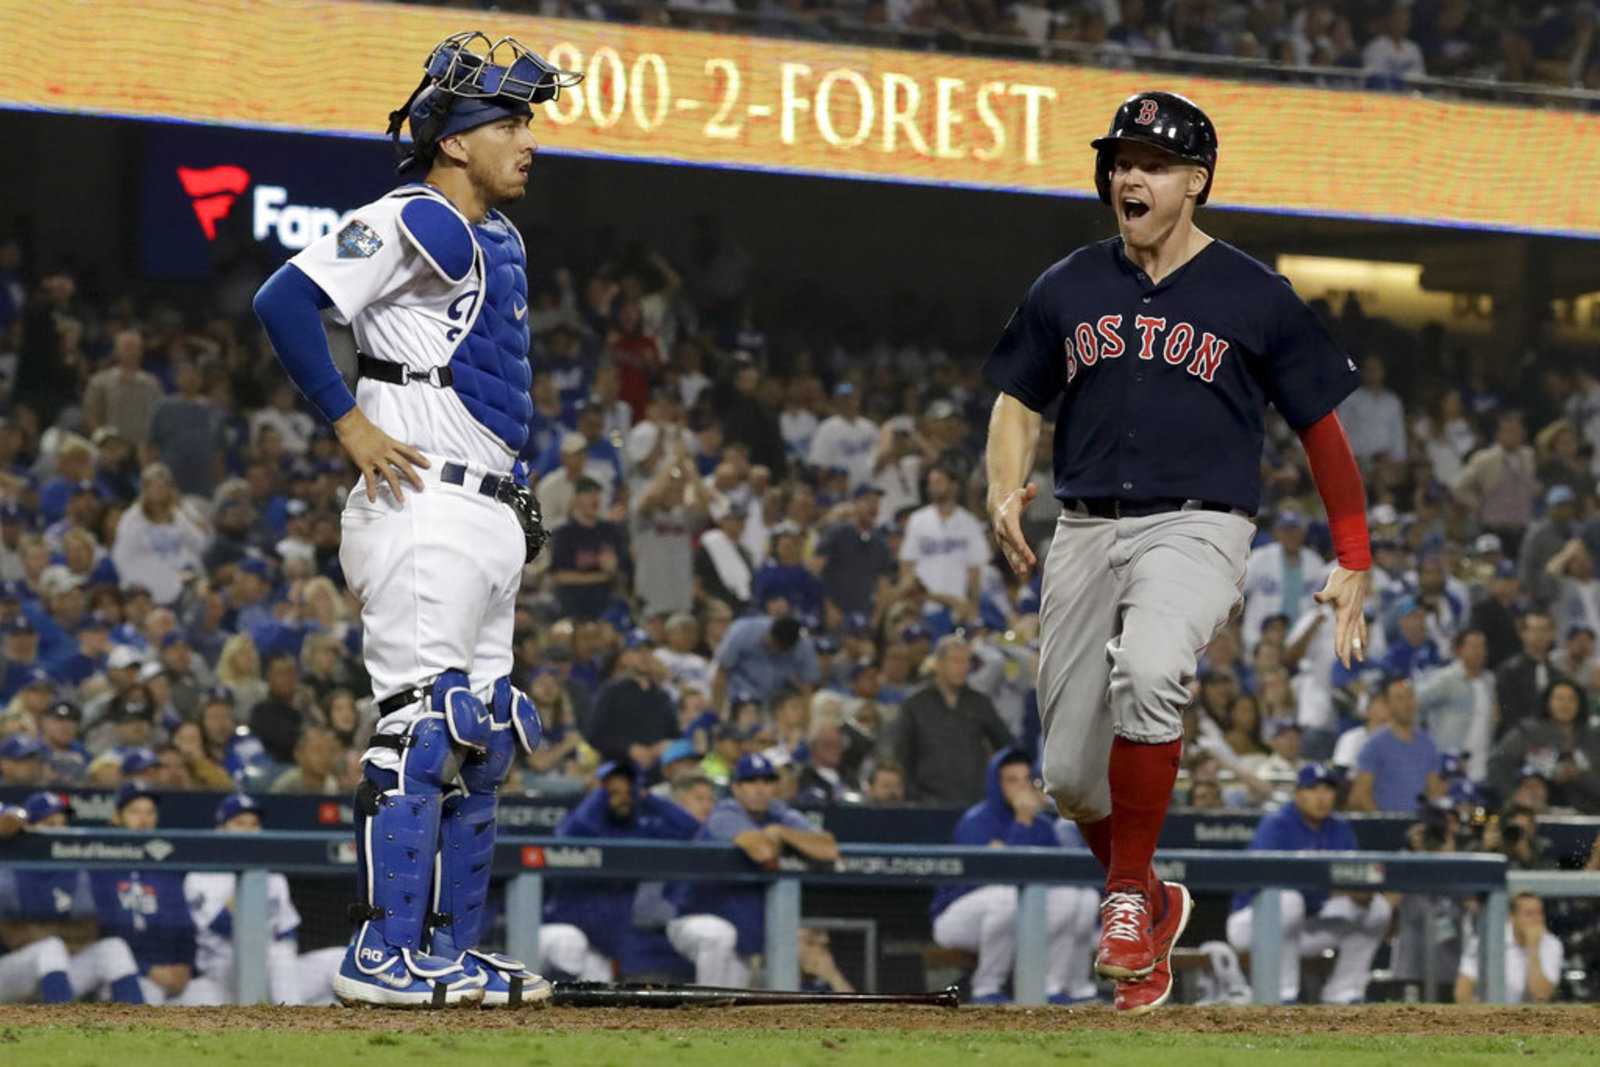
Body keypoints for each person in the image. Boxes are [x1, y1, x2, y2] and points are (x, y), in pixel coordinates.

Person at [983, 91, 1371, 1015]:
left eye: (1151, 163)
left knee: (1153, 667)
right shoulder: (1067, 284)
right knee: (1073, 780)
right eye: (1119, 160)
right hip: (1081, 527)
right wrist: (1004, 486)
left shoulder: (1254, 293)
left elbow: (1320, 427)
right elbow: (1015, 400)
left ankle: (1123, 899)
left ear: (1195, 181)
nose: (1130, 176)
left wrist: (1352, 551)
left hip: (1199, 523)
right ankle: (1153, 899)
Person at [251, 31, 582, 1008]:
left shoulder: (503, 238)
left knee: (484, 738)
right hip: (418, 499)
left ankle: (445, 948)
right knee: (423, 730)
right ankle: (379, 952)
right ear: (455, 141)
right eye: (509, 122)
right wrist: (348, 423)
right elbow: (284, 298)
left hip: (486, 511)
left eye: (528, 119)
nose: (528, 139)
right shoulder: (415, 218)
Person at [929, 749, 1100, 1004]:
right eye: (1011, 780)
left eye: (1025, 779)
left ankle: (1055, 986)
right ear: (996, 784)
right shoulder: (976, 821)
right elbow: (997, 877)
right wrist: (1021, 822)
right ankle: (986, 988)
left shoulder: (1042, 825)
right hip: (957, 919)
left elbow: (1060, 878)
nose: (1021, 787)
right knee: (1007, 896)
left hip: (1012, 917)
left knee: (1080, 898)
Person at [1225, 764, 1392, 1004]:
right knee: (1290, 900)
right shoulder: (1277, 824)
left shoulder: (1340, 827)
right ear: (1299, 794)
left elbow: (1354, 878)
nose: (1322, 797)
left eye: (1328, 790)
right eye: (1314, 789)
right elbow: (1267, 880)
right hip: (1254, 923)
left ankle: (1344, 992)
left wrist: (1358, 890)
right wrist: (1332, 886)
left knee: (1377, 908)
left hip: (1307, 923)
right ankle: (1283, 995)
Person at [667, 753, 839, 985]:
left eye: (767, 782)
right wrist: (784, 839)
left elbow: (828, 848)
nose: (760, 789)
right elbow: (763, 852)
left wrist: (782, 832)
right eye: (751, 782)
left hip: (741, 938)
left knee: (734, 1008)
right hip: (693, 920)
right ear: (737, 788)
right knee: (719, 935)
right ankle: (704, 1009)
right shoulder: (725, 813)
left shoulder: (778, 814)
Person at [538, 761, 702, 981]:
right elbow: (569, 836)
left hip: (603, 946)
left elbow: (690, 830)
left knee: (598, 998)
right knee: (570, 945)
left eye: (628, 791)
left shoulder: (639, 831)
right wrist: (599, 795)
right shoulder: (583, 825)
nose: (622, 797)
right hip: (563, 931)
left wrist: (647, 797)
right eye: (613, 791)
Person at [180, 794, 345, 1004]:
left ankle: (295, 1016)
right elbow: (223, 926)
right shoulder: (201, 876)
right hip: (224, 973)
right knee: (275, 953)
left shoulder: (274, 876)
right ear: (221, 830)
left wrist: (287, 967)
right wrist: (244, 876)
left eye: (254, 824)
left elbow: (288, 931)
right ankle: (290, 1018)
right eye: (239, 823)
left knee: (339, 959)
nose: (249, 830)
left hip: (276, 973)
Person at [0, 791, 145, 1004]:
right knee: (50, 948)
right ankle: (58, 1031)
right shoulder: (9, 868)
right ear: (28, 829)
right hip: (11, 973)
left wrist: (42, 933)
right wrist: (59, 936)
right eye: (50, 824)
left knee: (113, 948)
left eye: (63, 823)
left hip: (55, 973)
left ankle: (140, 1032)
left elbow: (88, 930)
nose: (59, 831)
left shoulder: (75, 871)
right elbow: (10, 937)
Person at [88, 782, 197, 1004]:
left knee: (213, 1005)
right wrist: (148, 969)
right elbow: (102, 931)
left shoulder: (168, 868)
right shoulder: (99, 867)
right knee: (148, 1000)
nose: (144, 820)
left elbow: (185, 925)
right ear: (117, 817)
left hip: (174, 974)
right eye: (135, 812)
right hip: (126, 974)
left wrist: (185, 966)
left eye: (150, 812)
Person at [893, 636, 1014, 805]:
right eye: (955, 661)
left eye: (966, 662)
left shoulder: (979, 703)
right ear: (939, 664)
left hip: (973, 800)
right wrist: (911, 795)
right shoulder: (916, 703)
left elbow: (1006, 744)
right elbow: (901, 753)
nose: (962, 668)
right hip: (926, 801)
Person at [1488, 680, 1600, 813]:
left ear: (1580, 704)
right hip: (1533, 814)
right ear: (1548, 702)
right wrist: (1514, 794)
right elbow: (1496, 763)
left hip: (1587, 813)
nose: (1565, 704)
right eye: (1559, 698)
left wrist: (1579, 776)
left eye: (1572, 699)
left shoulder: (1593, 737)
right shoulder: (1528, 732)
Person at [1348, 674, 1446, 812]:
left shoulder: (1428, 744)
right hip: (1387, 827)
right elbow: (1360, 795)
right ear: (1388, 704)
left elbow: (1434, 790)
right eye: (1399, 698)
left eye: (1410, 696)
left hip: (1417, 827)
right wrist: (1383, 823)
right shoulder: (1374, 745)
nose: (1407, 703)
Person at [1416, 629, 1496, 783]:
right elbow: (1415, 703)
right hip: (1449, 764)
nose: (1478, 651)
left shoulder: (1489, 680)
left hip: (1481, 763)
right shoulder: (1446, 679)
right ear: (1459, 650)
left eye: (1482, 646)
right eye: (1473, 646)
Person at [1455, 892, 1562, 1004]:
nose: (1536, 919)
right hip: (1491, 1012)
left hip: (1529, 1017)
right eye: (1529, 914)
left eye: (1539, 913)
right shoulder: (1487, 939)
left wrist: (1533, 948)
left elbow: (1541, 996)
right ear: (1512, 917)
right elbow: (1463, 991)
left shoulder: (1552, 944)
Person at [711, 614, 820, 709]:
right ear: (770, 631)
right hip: (735, 697)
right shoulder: (743, 630)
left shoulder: (803, 647)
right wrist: (716, 712)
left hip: (772, 703)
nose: (772, 650)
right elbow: (721, 673)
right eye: (770, 643)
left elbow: (807, 690)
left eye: (776, 648)